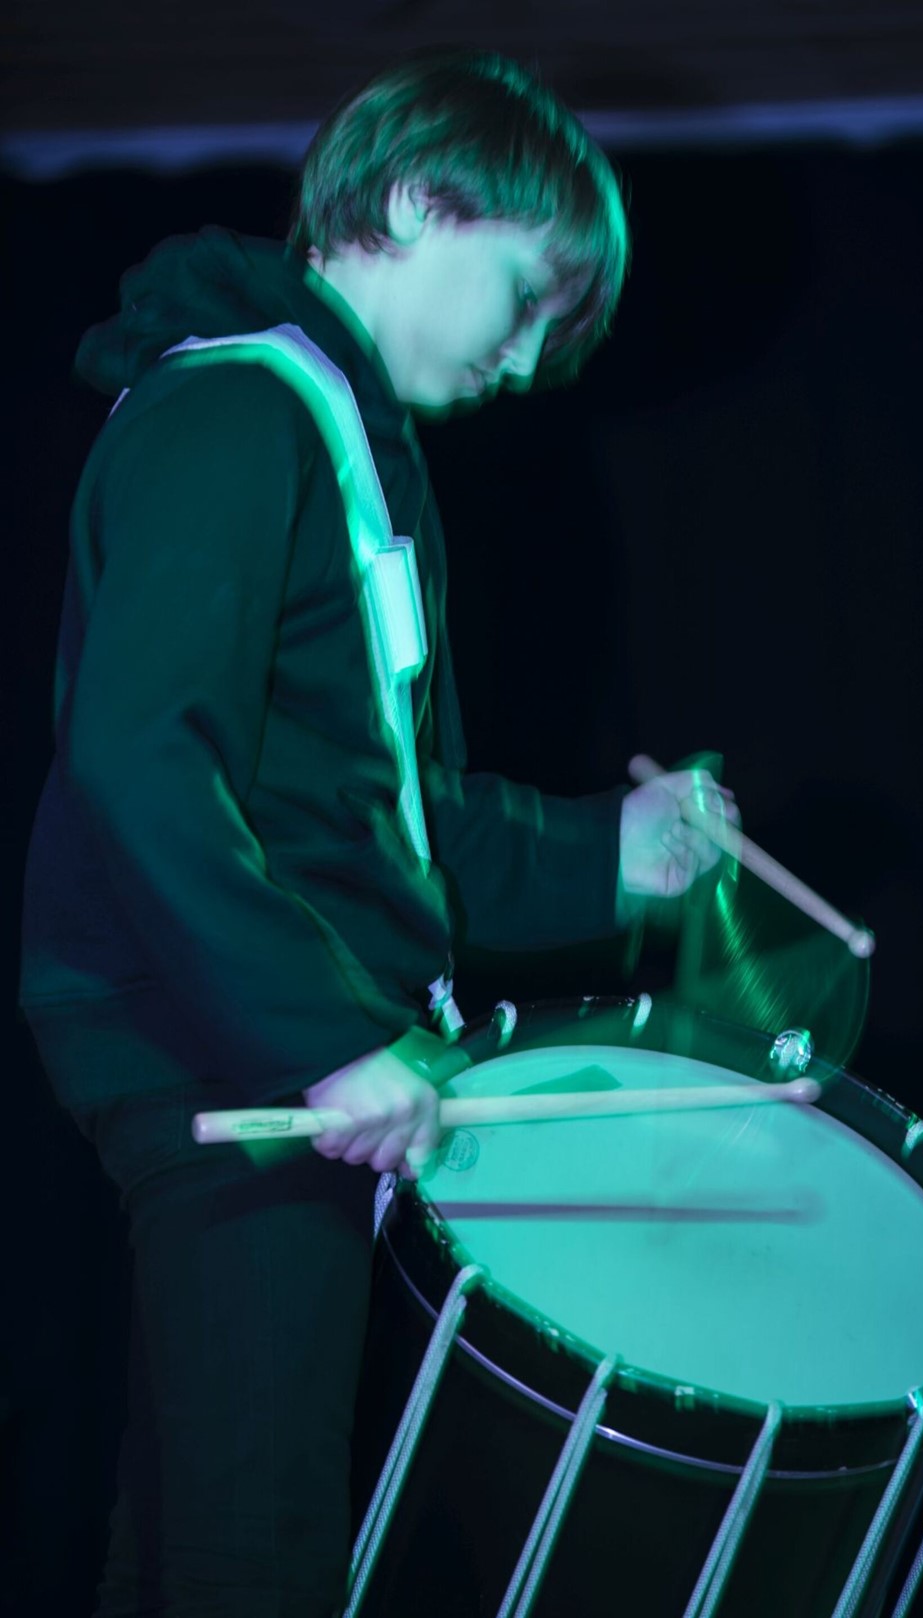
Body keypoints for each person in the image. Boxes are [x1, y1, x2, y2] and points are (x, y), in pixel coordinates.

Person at [19, 48, 736, 1618]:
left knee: (192, 1538)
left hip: (256, 1045)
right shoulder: (236, 407)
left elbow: (374, 821)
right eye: (526, 299)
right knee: (252, 1551)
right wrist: (322, 1037)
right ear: (415, 203)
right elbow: (141, 758)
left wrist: (605, 851)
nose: (530, 362)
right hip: (230, 1053)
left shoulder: (334, 443)